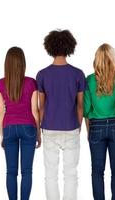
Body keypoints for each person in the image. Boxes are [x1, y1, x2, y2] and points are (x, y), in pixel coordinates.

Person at [36, 29, 86, 200]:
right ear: (69, 47)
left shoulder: (42, 75)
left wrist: (40, 129)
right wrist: (78, 126)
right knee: (71, 173)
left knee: (50, 174)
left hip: (49, 127)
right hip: (71, 126)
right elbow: (80, 106)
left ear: (49, 47)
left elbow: (41, 107)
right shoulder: (78, 74)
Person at [83, 43, 115, 200]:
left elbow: (86, 110)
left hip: (96, 126)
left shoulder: (89, 80)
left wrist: (89, 131)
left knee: (97, 170)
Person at [0, 47, 41, 200]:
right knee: (27, 171)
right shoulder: (31, 83)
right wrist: (38, 134)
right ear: (23, 63)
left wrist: (3, 134)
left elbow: (1, 112)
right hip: (28, 127)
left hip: (9, 127)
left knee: (11, 171)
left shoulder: (0, 84)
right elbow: (35, 110)